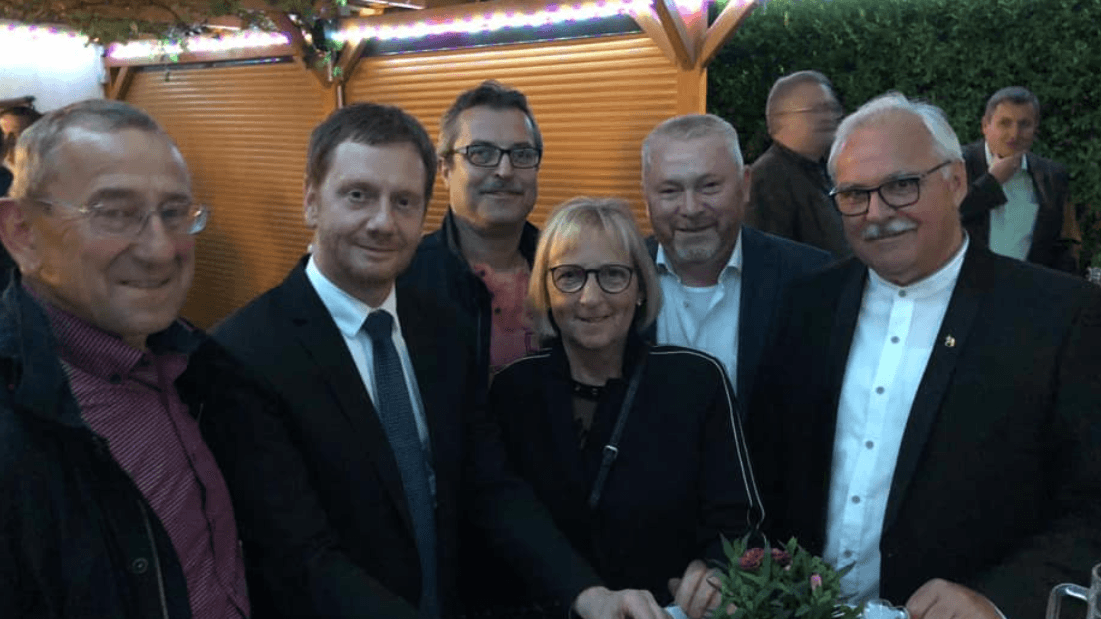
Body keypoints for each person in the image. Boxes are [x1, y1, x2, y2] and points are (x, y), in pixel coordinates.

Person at [203, 102, 670, 619]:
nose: (383, 222)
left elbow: (489, 485)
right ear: (312, 202)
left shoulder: (442, 328)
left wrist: (588, 594)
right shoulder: (244, 354)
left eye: (404, 201)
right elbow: (299, 558)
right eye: (358, 195)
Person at [749, 92, 1101, 619]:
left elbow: (1092, 505)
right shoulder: (807, 306)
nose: (877, 213)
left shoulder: (1059, 317)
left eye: (901, 186)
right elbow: (766, 470)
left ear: (957, 182)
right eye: (853, 195)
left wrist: (999, 600)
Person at [0, 99, 251, 617]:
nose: (160, 250)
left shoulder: (200, 368)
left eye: (175, 213)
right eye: (115, 213)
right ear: (22, 233)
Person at [489, 197, 762, 619]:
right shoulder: (512, 390)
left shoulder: (696, 381)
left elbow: (738, 521)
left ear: (640, 287)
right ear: (544, 287)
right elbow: (502, 525)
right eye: (570, 277)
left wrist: (717, 570)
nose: (591, 298)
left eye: (613, 275)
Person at [640, 113, 831, 410]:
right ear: (646, 198)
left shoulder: (811, 279)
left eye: (709, 186)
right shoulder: (617, 278)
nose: (690, 208)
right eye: (670, 191)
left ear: (745, 185)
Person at [400, 80, 543, 377]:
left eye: (522, 155)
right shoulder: (404, 280)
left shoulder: (563, 268)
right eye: (481, 153)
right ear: (444, 170)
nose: (504, 171)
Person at [961, 86, 1080, 273]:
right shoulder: (959, 164)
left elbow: (1060, 245)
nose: (1014, 134)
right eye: (1005, 123)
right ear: (985, 125)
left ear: (1035, 129)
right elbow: (947, 218)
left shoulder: (1051, 176)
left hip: (1026, 291)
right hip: (967, 287)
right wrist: (991, 182)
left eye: (1024, 124)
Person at [747, 71, 850, 257]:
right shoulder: (767, 181)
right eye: (817, 110)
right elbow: (768, 261)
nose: (829, 117)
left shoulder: (825, 172)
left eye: (832, 108)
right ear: (781, 118)